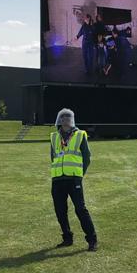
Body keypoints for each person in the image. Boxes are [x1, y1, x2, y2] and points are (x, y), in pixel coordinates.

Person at [50, 108, 98, 251]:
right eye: (62, 117)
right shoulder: (54, 136)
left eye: (68, 117)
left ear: (72, 119)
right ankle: (67, 237)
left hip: (74, 179)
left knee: (80, 209)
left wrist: (79, 175)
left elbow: (86, 157)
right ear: (59, 119)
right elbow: (52, 156)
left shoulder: (80, 135)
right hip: (58, 179)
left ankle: (92, 239)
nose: (65, 119)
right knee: (60, 210)